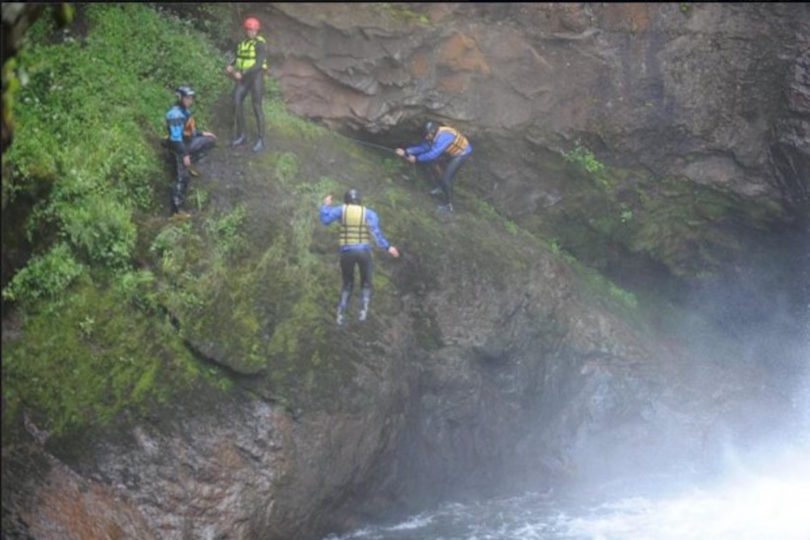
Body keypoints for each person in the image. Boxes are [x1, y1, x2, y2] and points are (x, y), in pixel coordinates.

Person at [320, 189, 400, 325]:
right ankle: (363, 313)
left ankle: (340, 316)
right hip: (363, 252)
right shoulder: (369, 213)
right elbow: (376, 233)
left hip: (347, 252)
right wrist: (388, 247)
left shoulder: (341, 210)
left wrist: (326, 205)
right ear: (359, 200)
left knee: (347, 284)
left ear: (346, 200)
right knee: (366, 283)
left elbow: (325, 220)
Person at [396, 121, 472, 213]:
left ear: (432, 132)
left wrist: (416, 159)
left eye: (427, 135)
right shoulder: (434, 135)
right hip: (451, 152)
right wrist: (407, 152)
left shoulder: (444, 137)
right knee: (433, 165)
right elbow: (424, 147)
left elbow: (433, 154)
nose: (426, 137)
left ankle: (449, 205)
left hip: (462, 154)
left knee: (446, 179)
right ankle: (441, 188)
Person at [165, 85, 216, 215]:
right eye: (187, 98)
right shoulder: (175, 114)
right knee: (183, 177)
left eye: (191, 98)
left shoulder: (185, 112)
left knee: (209, 141)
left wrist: (202, 133)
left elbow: (189, 131)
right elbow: (176, 138)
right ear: (181, 98)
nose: (190, 101)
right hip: (177, 147)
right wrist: (185, 155)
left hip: (186, 142)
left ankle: (188, 162)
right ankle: (177, 210)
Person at [226, 16, 268, 153]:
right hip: (244, 78)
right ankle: (242, 135)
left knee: (256, 106)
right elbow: (238, 58)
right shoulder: (242, 43)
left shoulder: (260, 44)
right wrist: (231, 66)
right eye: (249, 30)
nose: (251, 32)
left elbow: (258, 64)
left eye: (254, 30)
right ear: (246, 30)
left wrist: (242, 73)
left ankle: (261, 139)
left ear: (257, 31)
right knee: (237, 100)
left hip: (256, 78)